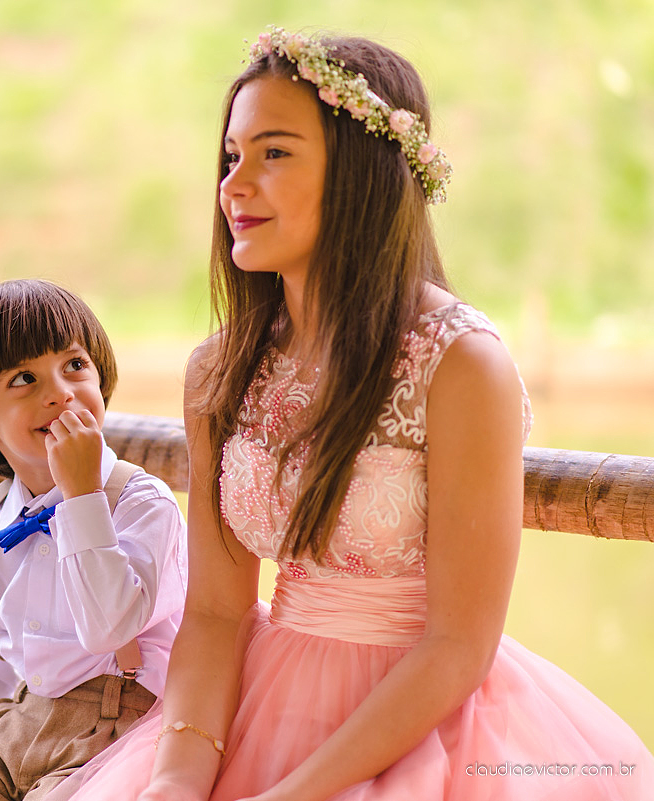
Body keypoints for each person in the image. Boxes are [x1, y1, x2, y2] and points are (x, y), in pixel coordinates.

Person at [51, 26, 654, 801]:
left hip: (424, 717)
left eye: (273, 153)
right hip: (259, 699)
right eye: (231, 157)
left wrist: (293, 794)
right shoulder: (219, 370)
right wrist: (177, 775)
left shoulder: (459, 364)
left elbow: (458, 644)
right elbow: (211, 610)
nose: (234, 186)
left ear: (362, 172)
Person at [0, 278, 189, 801]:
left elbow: (113, 627)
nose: (60, 392)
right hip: (15, 726)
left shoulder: (141, 503)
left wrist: (83, 497)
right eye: (24, 378)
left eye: (74, 365)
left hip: (119, 731)